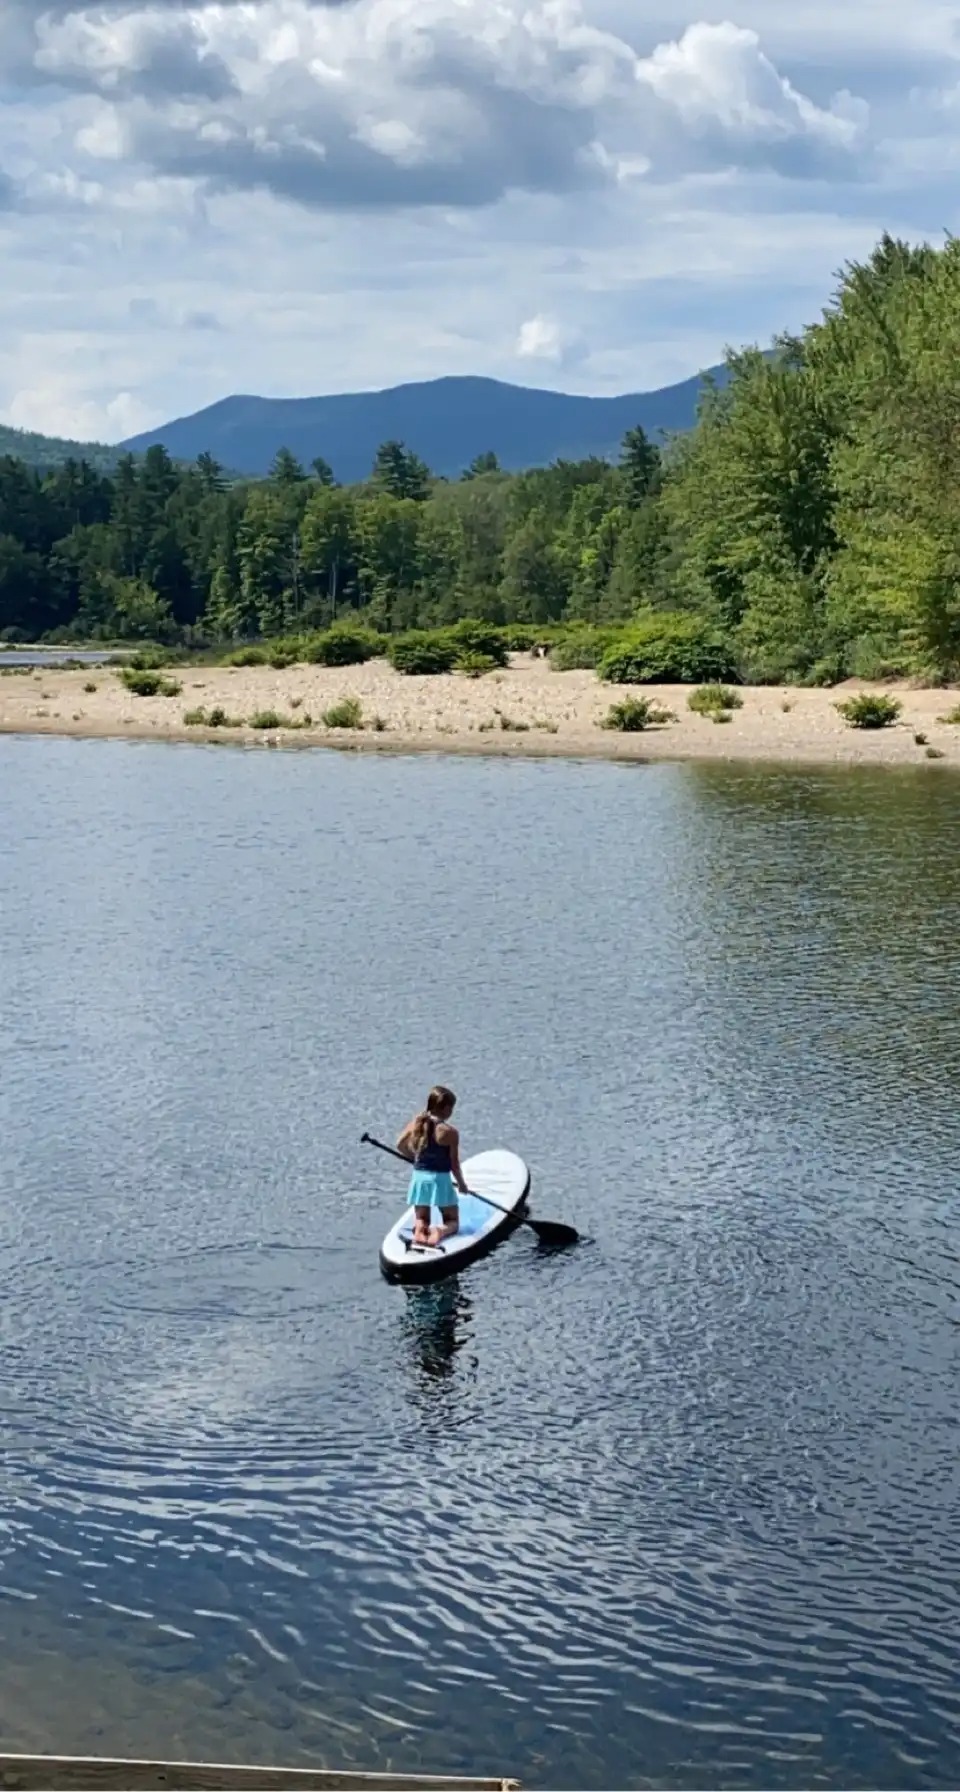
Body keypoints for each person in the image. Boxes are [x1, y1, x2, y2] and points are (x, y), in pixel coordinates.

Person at [397, 1085, 468, 1248]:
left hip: (419, 1178)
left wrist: (414, 1159)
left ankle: (420, 1233)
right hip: (440, 1180)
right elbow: (454, 1165)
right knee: (452, 1221)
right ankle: (439, 1232)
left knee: (421, 1218)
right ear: (447, 1108)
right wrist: (462, 1185)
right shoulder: (449, 1132)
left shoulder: (417, 1122)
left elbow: (400, 1145)